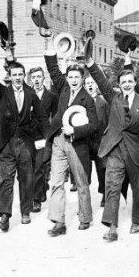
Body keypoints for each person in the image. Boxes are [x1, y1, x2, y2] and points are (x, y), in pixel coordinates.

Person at [86, 57, 139, 242]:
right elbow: (100, 80)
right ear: (119, 85)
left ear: (135, 83)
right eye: (123, 82)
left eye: (130, 81)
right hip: (115, 150)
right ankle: (111, 227)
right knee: (112, 186)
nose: (126, 84)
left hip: (136, 151)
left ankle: (137, 219)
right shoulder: (114, 98)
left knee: (138, 187)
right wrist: (90, 63)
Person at [0, 57, 48, 232]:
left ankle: (25, 212)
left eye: (20, 74)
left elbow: (42, 117)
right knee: (5, 180)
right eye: (14, 74)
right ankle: (4, 216)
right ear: (10, 76)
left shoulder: (31, 94)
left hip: (25, 143)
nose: (17, 77)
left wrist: (46, 137)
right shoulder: (3, 92)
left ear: (24, 76)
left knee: (26, 178)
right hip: (6, 143)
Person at [44, 39, 98, 237]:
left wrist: (75, 130)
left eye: (77, 77)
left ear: (82, 79)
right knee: (56, 182)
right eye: (71, 77)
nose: (74, 80)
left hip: (77, 144)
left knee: (82, 182)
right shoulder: (63, 89)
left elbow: (94, 125)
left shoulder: (88, 99)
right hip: (58, 141)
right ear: (67, 78)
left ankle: (85, 217)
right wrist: (51, 47)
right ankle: (59, 222)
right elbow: (53, 69)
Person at [29, 67, 58, 213]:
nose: (36, 79)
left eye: (39, 77)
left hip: (43, 136)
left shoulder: (52, 96)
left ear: (43, 78)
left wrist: (51, 135)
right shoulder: (26, 94)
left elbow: (56, 116)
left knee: (39, 168)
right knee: (30, 168)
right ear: (30, 79)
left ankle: (36, 199)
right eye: (33, 77)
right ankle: (40, 190)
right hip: (28, 137)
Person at [84, 76, 109, 207]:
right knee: (84, 172)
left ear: (96, 85)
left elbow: (109, 122)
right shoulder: (81, 102)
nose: (90, 85)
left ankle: (105, 195)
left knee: (102, 170)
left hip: (100, 142)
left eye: (92, 83)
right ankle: (84, 203)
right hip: (85, 142)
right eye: (87, 83)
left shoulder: (103, 102)